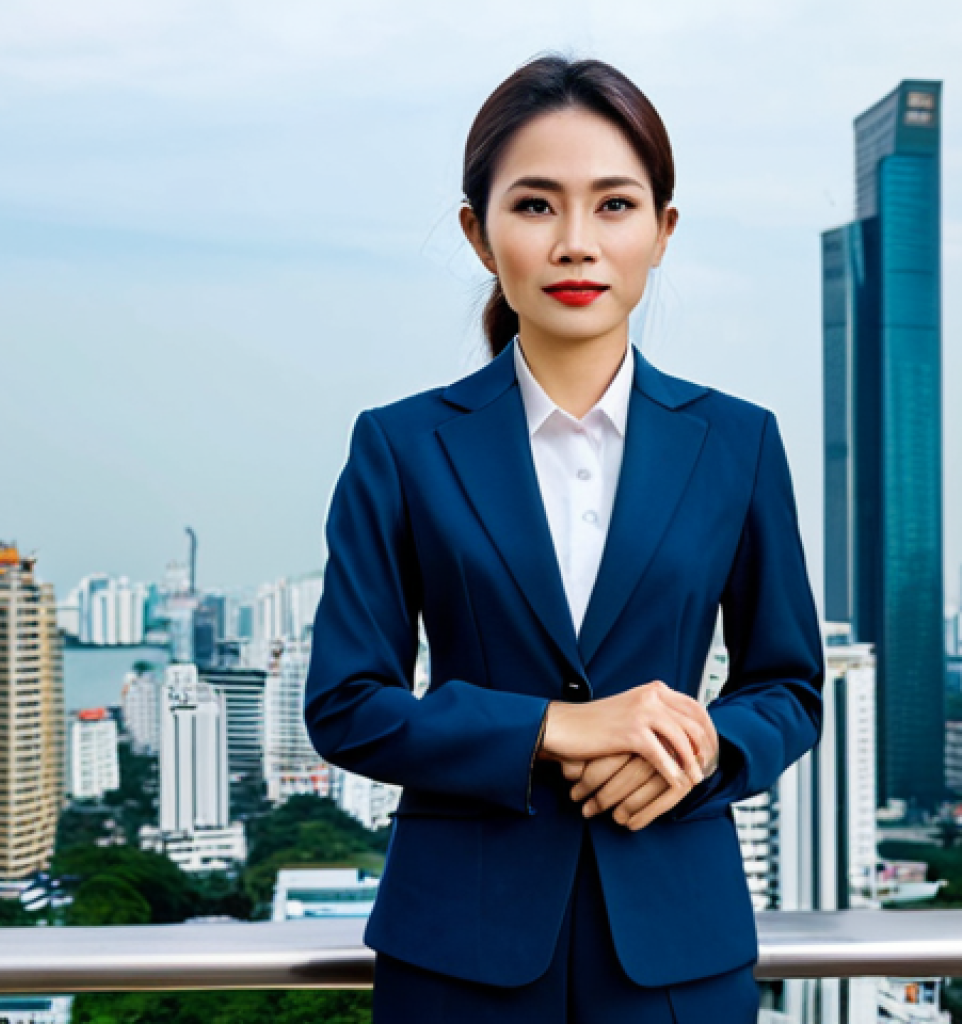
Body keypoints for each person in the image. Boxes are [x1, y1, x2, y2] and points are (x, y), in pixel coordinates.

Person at [303, 54, 824, 1024]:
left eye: (614, 206)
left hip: (678, 943)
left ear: (662, 231)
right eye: (536, 206)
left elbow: (788, 687)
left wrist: (702, 744)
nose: (575, 244)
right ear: (478, 232)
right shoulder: (401, 445)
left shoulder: (738, 442)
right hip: (457, 945)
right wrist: (554, 727)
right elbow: (347, 704)